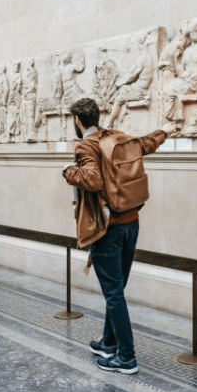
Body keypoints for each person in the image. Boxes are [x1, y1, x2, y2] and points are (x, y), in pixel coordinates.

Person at [62, 98, 166, 375]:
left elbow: (93, 180)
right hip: (131, 223)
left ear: (77, 120)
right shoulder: (118, 138)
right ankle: (109, 343)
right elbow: (147, 144)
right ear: (97, 116)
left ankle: (127, 358)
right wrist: (165, 131)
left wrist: (69, 173)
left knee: (114, 293)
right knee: (116, 291)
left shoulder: (86, 145)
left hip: (106, 228)